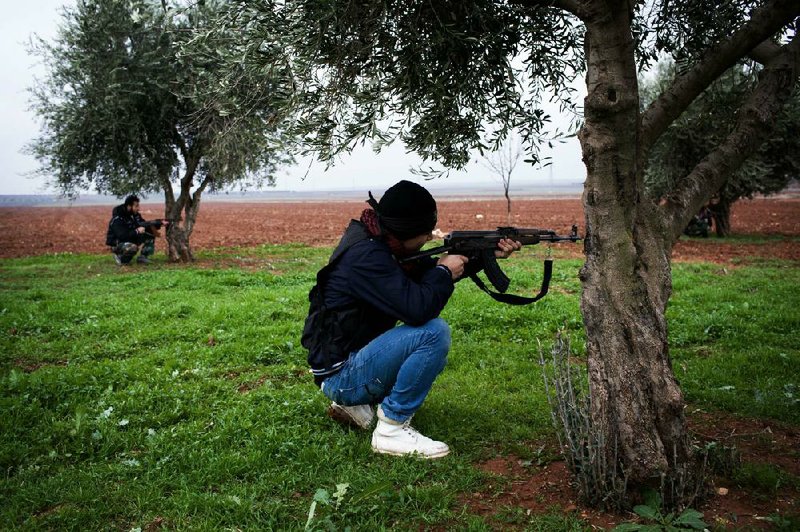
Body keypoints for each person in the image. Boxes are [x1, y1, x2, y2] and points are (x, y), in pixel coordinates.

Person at [302, 180, 521, 459]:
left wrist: (480, 255)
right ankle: (391, 430)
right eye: (426, 231)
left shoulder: (377, 244)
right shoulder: (368, 257)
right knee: (432, 333)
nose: (430, 238)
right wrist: (444, 272)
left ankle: (357, 404)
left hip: (345, 359)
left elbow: (422, 273)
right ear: (405, 230)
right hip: (340, 374)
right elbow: (418, 307)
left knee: (426, 327)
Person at [105, 195, 168, 265]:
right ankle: (121, 258)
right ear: (129, 206)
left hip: (130, 238)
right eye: (136, 206)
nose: (138, 208)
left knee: (151, 234)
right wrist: (137, 231)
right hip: (118, 243)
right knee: (132, 247)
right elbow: (122, 236)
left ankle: (143, 257)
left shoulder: (135, 215)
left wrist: (159, 223)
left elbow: (145, 224)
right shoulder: (118, 219)